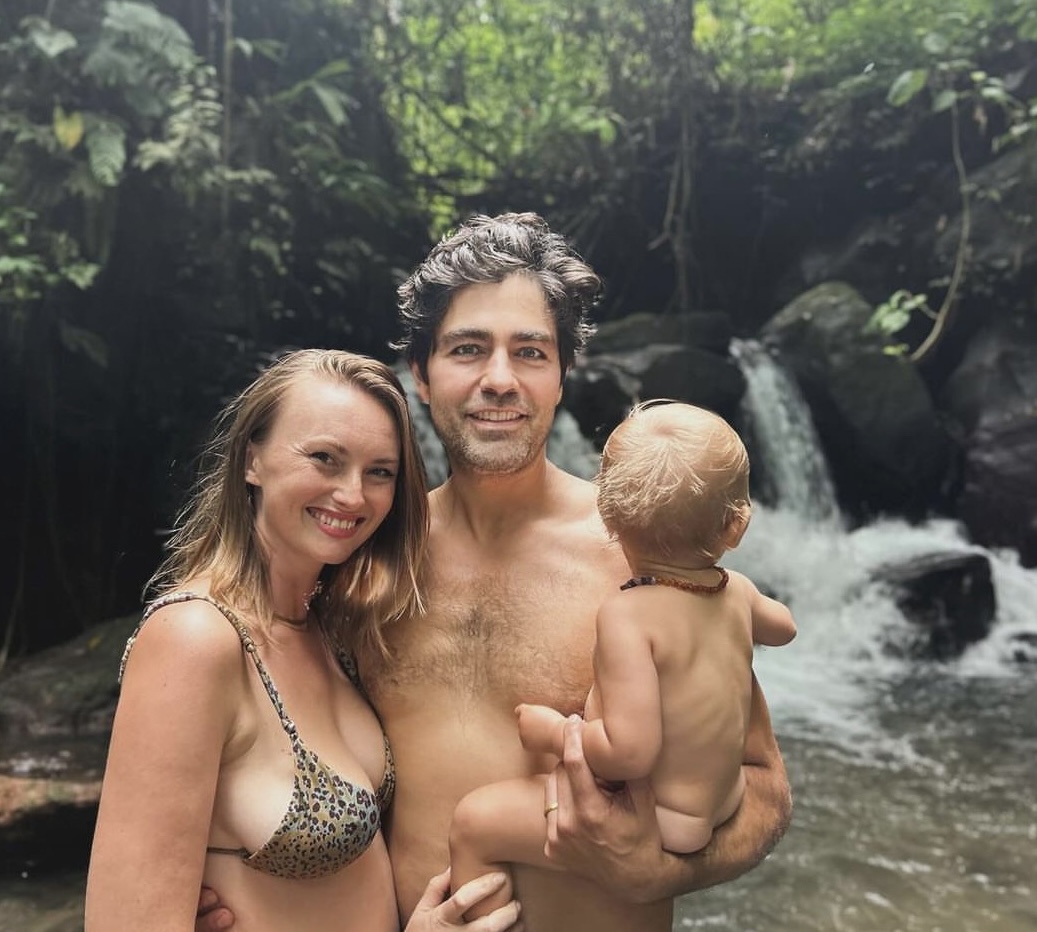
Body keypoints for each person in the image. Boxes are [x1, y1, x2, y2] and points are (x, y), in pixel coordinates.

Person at [196, 213, 793, 932]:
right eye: (467, 349)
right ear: (420, 375)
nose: (499, 380)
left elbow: (763, 785)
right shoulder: (362, 562)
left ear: (561, 376)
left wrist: (664, 868)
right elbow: (270, 750)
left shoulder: (644, 560)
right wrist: (230, 884)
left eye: (530, 352)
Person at [85, 349, 521, 932]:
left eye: (379, 472)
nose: (352, 495)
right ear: (251, 460)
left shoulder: (328, 628)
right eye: (324, 458)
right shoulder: (195, 638)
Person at [447, 399, 798, 918]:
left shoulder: (628, 616)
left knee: (476, 821)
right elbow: (784, 628)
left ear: (608, 516)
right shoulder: (737, 593)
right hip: (722, 800)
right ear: (736, 528)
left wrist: (553, 733)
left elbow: (629, 753)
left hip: (659, 817)